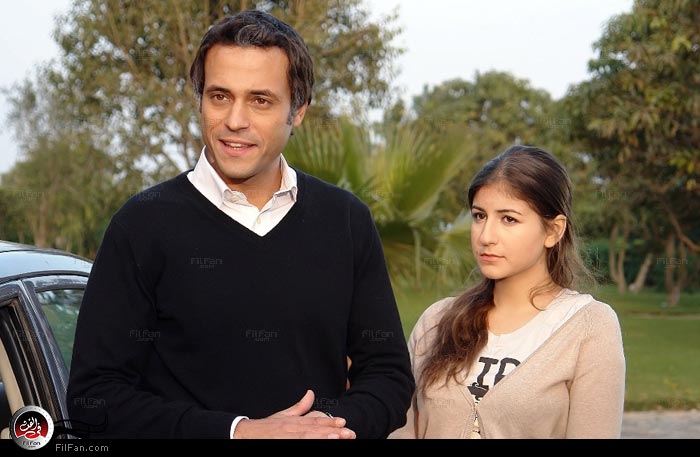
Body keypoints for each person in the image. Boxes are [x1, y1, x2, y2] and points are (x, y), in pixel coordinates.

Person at [67, 10, 413, 439]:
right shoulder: (140, 225)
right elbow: (94, 400)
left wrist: (322, 431)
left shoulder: (345, 220)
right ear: (200, 100)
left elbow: (389, 377)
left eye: (260, 100)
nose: (235, 120)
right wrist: (239, 432)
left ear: (298, 111)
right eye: (220, 96)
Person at [390, 145, 625, 439]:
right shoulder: (436, 321)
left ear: (553, 231)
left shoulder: (590, 326)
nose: (486, 236)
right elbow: (401, 429)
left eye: (509, 219)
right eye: (479, 216)